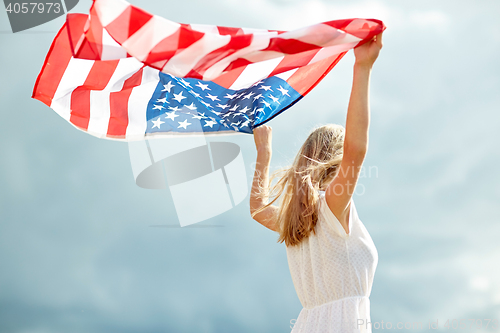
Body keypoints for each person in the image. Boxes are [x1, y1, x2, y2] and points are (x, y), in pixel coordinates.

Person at [249, 32, 384, 333]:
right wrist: (362, 67)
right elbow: (357, 151)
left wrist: (264, 153)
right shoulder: (332, 207)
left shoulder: (296, 221)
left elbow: (258, 209)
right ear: (335, 162)